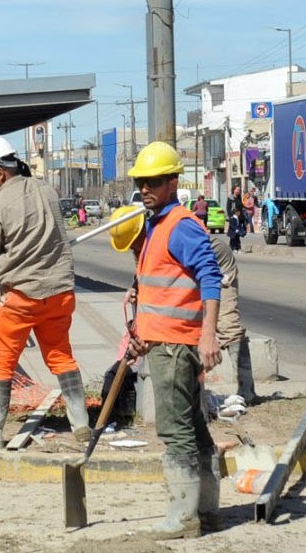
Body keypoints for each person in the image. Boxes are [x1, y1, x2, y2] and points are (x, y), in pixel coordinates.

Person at [0, 135, 90, 448]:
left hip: (20, 297)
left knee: (1, 361)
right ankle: (81, 422)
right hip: (59, 293)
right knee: (61, 355)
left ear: (0, 172)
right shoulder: (46, 190)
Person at [122, 141, 222, 539]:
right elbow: (161, 289)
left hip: (177, 348)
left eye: (154, 182)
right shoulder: (156, 225)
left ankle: (183, 518)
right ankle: (207, 512)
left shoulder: (180, 225)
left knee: (175, 431)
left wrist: (208, 335)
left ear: (173, 182)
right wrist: (141, 332)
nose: (145, 189)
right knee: (194, 428)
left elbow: (210, 278)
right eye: (141, 182)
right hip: (163, 342)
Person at [108, 206, 258, 413]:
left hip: (217, 263)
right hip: (189, 271)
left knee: (226, 325)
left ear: (141, 230)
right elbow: (147, 273)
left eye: (134, 243)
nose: (134, 249)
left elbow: (205, 269)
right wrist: (135, 288)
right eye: (131, 247)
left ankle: (247, 390)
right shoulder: (141, 246)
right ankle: (195, 399)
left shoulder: (168, 233)